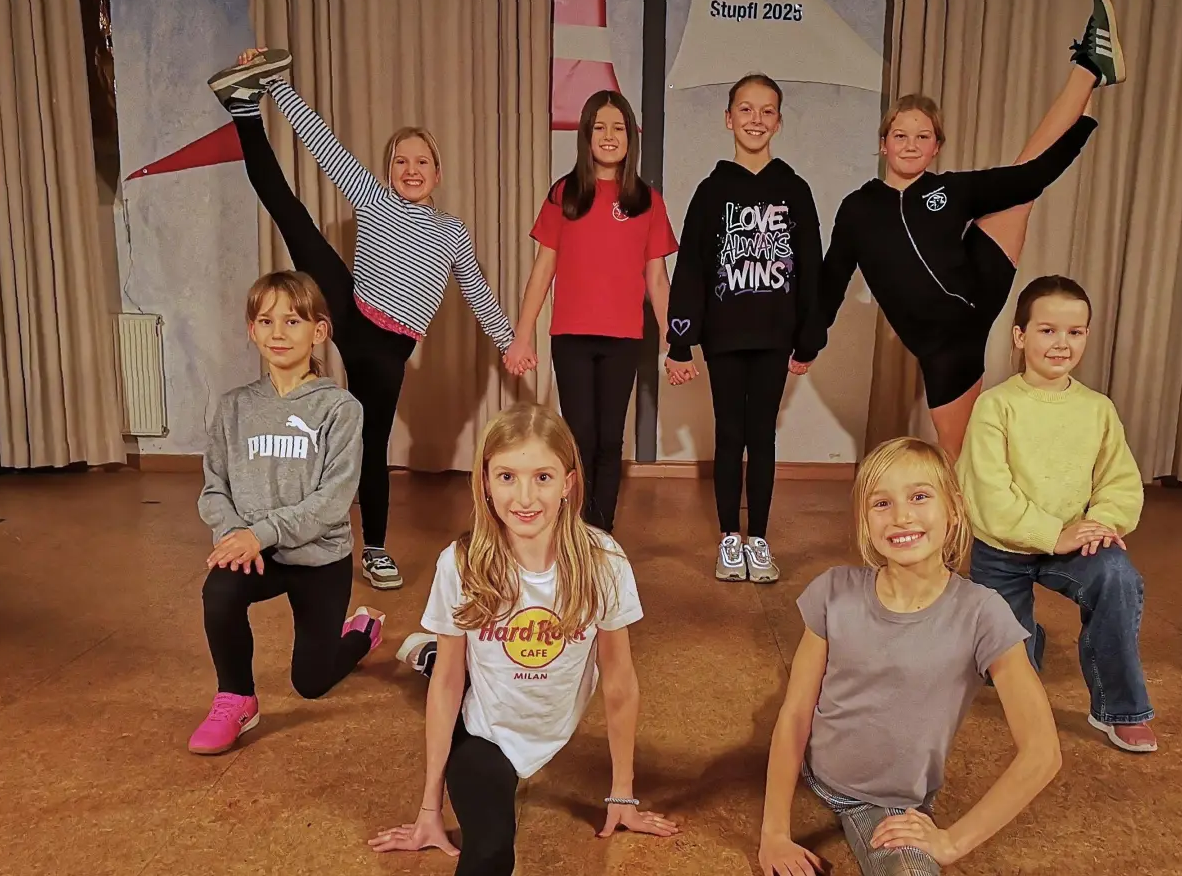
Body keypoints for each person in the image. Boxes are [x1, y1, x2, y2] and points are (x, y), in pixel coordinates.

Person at [206, 47, 518, 591]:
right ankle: (245, 106)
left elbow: (477, 294)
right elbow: (322, 144)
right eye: (400, 160)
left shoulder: (453, 233)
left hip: (388, 349)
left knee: (371, 444)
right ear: (387, 170)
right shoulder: (373, 197)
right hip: (348, 308)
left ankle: (373, 548)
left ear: (438, 173)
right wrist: (277, 87)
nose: (411, 169)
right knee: (291, 214)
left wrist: (510, 342)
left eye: (422, 162)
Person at [801, 0, 1126, 460]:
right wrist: (810, 343)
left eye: (923, 137)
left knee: (1022, 182)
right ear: (883, 145)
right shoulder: (857, 208)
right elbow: (832, 280)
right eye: (900, 136)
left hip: (978, 286)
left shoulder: (952, 188)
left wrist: (1081, 129)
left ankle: (1089, 69)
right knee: (961, 454)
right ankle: (971, 531)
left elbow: (1032, 176)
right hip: (945, 346)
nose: (911, 146)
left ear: (936, 147)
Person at [368, 403, 679, 874]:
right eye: (507, 477)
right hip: (485, 730)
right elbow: (450, 685)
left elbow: (618, 680)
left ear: (568, 484)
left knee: (458, 661)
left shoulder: (604, 562)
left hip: (547, 714)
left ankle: (425, 650)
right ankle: (431, 651)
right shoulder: (461, 562)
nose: (525, 497)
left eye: (543, 477)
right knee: (489, 848)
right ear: (486, 483)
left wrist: (622, 795)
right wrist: (429, 811)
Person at [758, 437, 1061, 875]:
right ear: (864, 520)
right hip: (819, 772)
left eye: (920, 496)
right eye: (881, 503)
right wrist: (774, 833)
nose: (901, 516)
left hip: (893, 803)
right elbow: (795, 713)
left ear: (953, 509)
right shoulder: (833, 592)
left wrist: (952, 842)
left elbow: (1042, 752)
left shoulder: (982, 613)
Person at [958, 275, 1157, 753]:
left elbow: (1119, 480)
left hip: (1075, 544)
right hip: (1004, 548)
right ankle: (1027, 640)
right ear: (1020, 336)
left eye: (1075, 332)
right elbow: (986, 493)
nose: (1062, 343)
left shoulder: (1098, 409)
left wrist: (1103, 524)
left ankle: (1120, 708)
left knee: (1118, 577)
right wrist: (1052, 533)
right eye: (1047, 331)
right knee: (1003, 674)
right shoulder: (996, 406)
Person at [189, 270, 382, 755]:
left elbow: (333, 501)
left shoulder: (340, 408)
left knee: (311, 683)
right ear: (251, 330)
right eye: (266, 321)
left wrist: (263, 531)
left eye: (293, 321)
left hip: (319, 558)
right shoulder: (234, 408)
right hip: (261, 552)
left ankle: (360, 633)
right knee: (220, 588)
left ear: (319, 331)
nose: (278, 333)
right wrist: (236, 532)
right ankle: (237, 698)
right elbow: (214, 489)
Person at [663, 73, 823, 584]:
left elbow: (809, 268)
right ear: (729, 119)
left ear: (779, 121)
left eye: (767, 111)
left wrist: (808, 337)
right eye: (746, 110)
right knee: (730, 434)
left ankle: (760, 539)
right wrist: (681, 341)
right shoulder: (712, 191)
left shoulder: (794, 189)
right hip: (726, 336)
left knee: (763, 435)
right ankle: (730, 538)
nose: (756, 120)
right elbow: (690, 267)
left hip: (775, 335)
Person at [502, 90, 679, 533]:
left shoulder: (646, 200)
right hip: (572, 338)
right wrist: (521, 336)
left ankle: (601, 535)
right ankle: (575, 530)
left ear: (630, 138)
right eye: (599, 127)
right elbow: (543, 269)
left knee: (609, 439)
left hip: (624, 339)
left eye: (618, 127)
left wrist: (678, 342)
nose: (609, 135)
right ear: (585, 135)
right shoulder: (566, 193)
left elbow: (658, 280)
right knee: (578, 438)